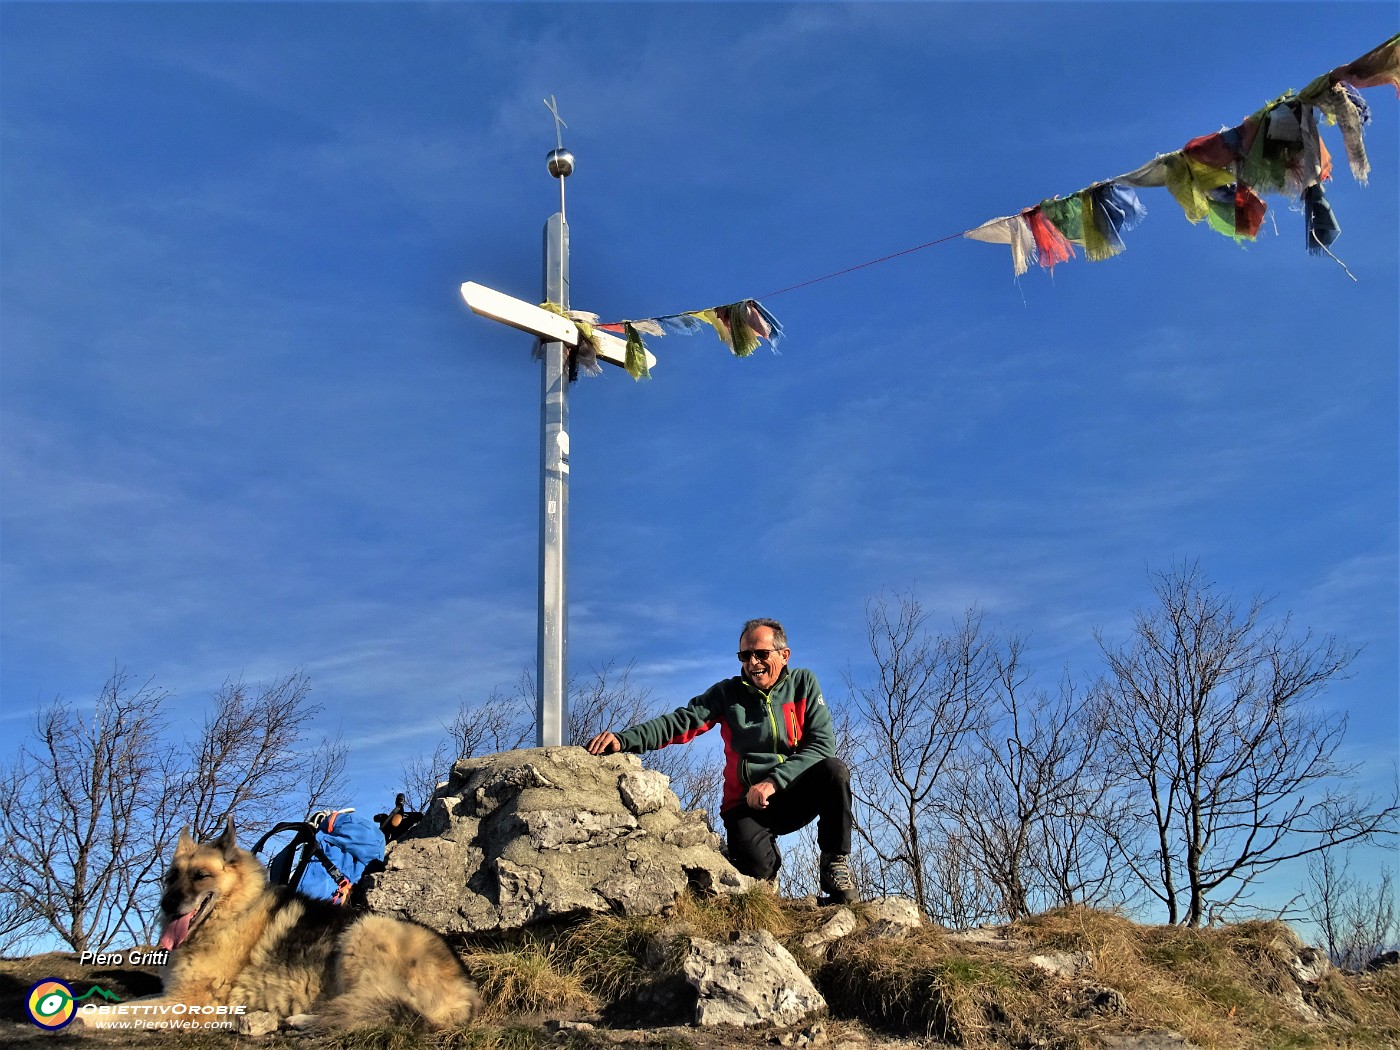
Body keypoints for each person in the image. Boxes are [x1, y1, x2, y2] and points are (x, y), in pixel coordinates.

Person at [586, 617, 856, 903]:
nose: (753, 663)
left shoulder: (803, 684)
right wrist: (624, 739)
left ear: (784, 655)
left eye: (761, 654)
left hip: (790, 793)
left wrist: (772, 782)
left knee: (834, 771)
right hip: (745, 805)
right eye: (745, 656)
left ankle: (834, 863)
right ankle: (764, 864)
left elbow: (822, 745)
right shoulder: (728, 694)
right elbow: (681, 722)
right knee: (754, 877)